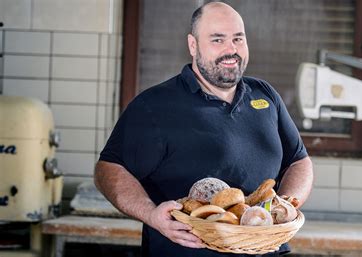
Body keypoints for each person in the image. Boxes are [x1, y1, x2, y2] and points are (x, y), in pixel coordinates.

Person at [94, 2, 313, 257]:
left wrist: (284, 205)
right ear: (193, 45)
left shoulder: (265, 96)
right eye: (217, 40)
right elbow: (108, 169)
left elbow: (299, 161)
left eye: (238, 39)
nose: (231, 49)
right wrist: (151, 215)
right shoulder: (155, 106)